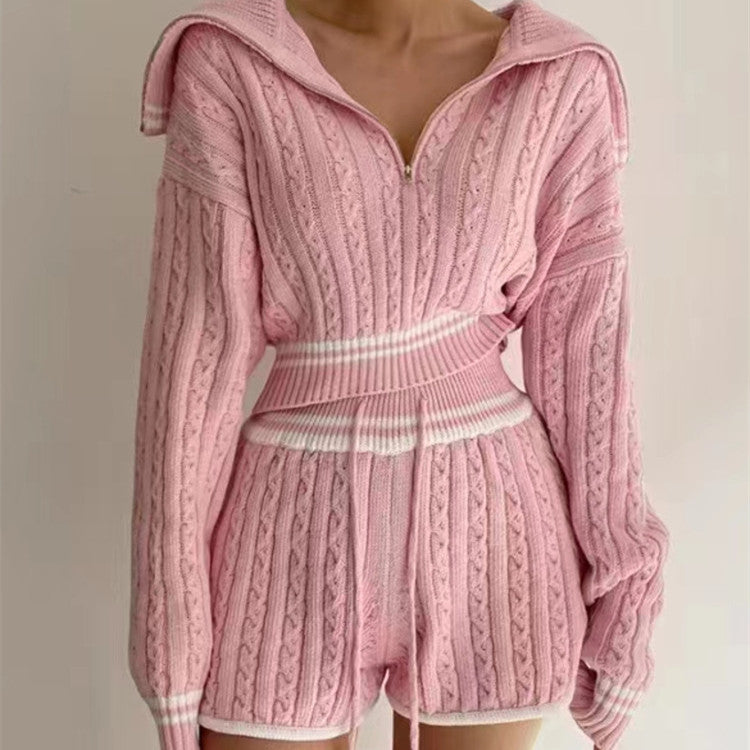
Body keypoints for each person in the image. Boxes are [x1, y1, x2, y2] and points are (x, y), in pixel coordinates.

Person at [128, 0, 670, 749]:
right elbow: (193, 361)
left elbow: (590, 361)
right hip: (285, 538)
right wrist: (169, 638)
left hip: (494, 541)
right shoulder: (233, 59)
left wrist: (627, 592)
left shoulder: (561, 76)